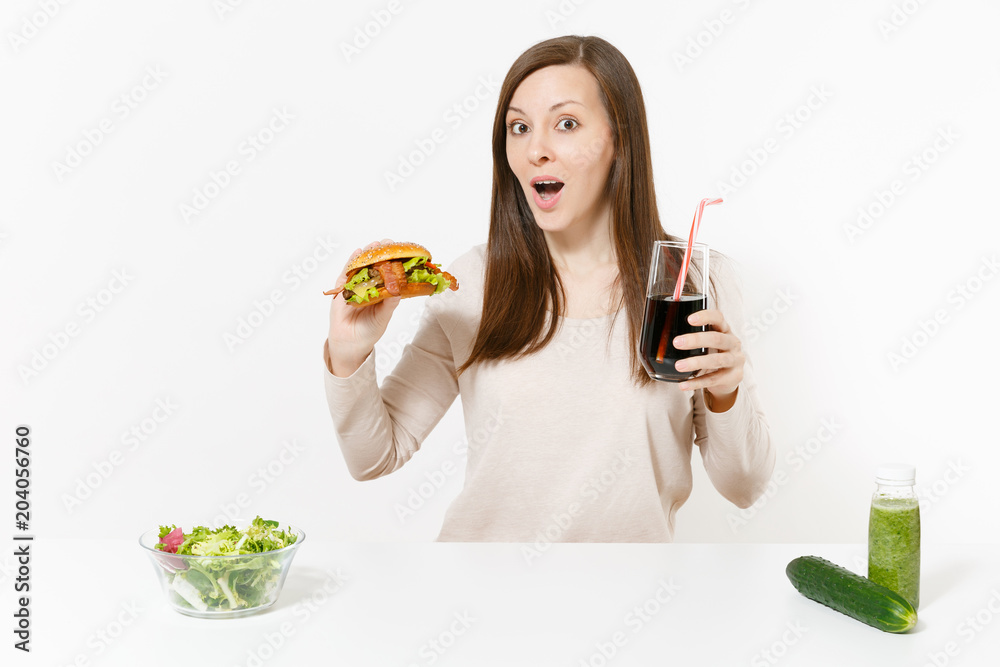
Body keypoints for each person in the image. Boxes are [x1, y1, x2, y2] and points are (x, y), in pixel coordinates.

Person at [323, 35, 774, 542]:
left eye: (566, 124)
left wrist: (725, 391)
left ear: (619, 139)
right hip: (483, 598)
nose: (535, 150)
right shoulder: (471, 283)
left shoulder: (695, 283)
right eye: (519, 127)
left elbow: (745, 486)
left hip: (633, 603)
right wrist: (348, 354)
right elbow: (373, 458)